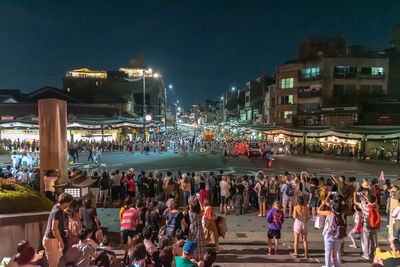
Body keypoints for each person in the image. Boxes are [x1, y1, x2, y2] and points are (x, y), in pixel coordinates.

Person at [42, 193, 74, 267]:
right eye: (69, 203)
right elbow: (54, 228)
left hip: (54, 239)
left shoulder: (58, 209)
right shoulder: (57, 211)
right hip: (52, 239)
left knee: (58, 261)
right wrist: (60, 241)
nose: (69, 205)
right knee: (54, 263)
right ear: (66, 202)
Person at [318, 199, 347, 267]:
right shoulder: (342, 214)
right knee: (337, 251)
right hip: (338, 235)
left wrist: (322, 204)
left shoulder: (329, 213)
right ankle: (337, 265)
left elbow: (318, 211)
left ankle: (327, 265)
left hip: (329, 235)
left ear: (333, 207)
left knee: (327, 252)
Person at [355, 193, 380, 261]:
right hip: (374, 226)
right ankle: (372, 254)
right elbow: (374, 200)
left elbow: (355, 202)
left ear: (368, 200)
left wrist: (354, 194)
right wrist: (365, 196)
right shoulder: (376, 206)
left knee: (366, 240)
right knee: (372, 240)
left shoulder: (365, 206)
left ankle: (366, 254)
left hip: (367, 225)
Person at [188, 196, 205, 261]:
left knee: (193, 242)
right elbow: (202, 209)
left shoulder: (190, 212)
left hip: (192, 228)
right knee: (200, 242)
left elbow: (191, 207)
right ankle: (201, 256)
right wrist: (199, 202)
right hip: (199, 227)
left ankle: (193, 256)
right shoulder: (200, 213)